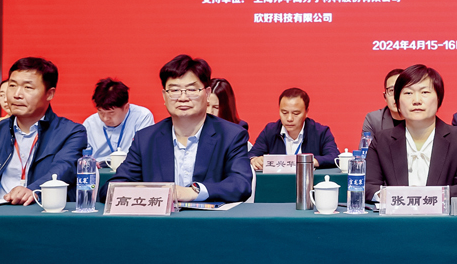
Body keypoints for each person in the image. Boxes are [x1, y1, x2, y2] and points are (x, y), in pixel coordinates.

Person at [101, 54, 251, 203]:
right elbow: (109, 189)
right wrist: (142, 190)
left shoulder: (231, 135)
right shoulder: (146, 139)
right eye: (174, 90)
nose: (183, 98)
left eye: (192, 90)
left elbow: (241, 185)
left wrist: (193, 192)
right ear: (164, 96)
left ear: (207, 94)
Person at [0, 57, 86, 204]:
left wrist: (33, 190)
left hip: (39, 211)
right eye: (12, 85)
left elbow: (63, 170)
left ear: (49, 93)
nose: (17, 94)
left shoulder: (71, 133)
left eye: (28, 87)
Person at [365, 64, 457, 201]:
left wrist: (426, 197)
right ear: (398, 102)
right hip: (396, 214)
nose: (416, 101)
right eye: (408, 93)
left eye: (424, 92)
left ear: (438, 98)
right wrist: (395, 198)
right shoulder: (382, 140)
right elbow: (368, 186)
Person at [248, 88, 340, 170]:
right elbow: (251, 155)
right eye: (284, 113)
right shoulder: (270, 130)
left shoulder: (321, 132)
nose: (289, 118)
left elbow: (334, 157)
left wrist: (309, 162)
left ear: (306, 112)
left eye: (296, 113)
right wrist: (254, 159)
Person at [82, 78, 155, 164]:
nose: (105, 118)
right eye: (101, 112)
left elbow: (146, 153)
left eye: (111, 113)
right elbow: (82, 157)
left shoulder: (142, 117)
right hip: (99, 169)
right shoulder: (89, 124)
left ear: (126, 108)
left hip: (131, 168)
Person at [362, 68, 405, 137]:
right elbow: (366, 144)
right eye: (391, 90)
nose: (396, 96)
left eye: (401, 90)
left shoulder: (420, 118)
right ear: (385, 97)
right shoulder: (373, 120)